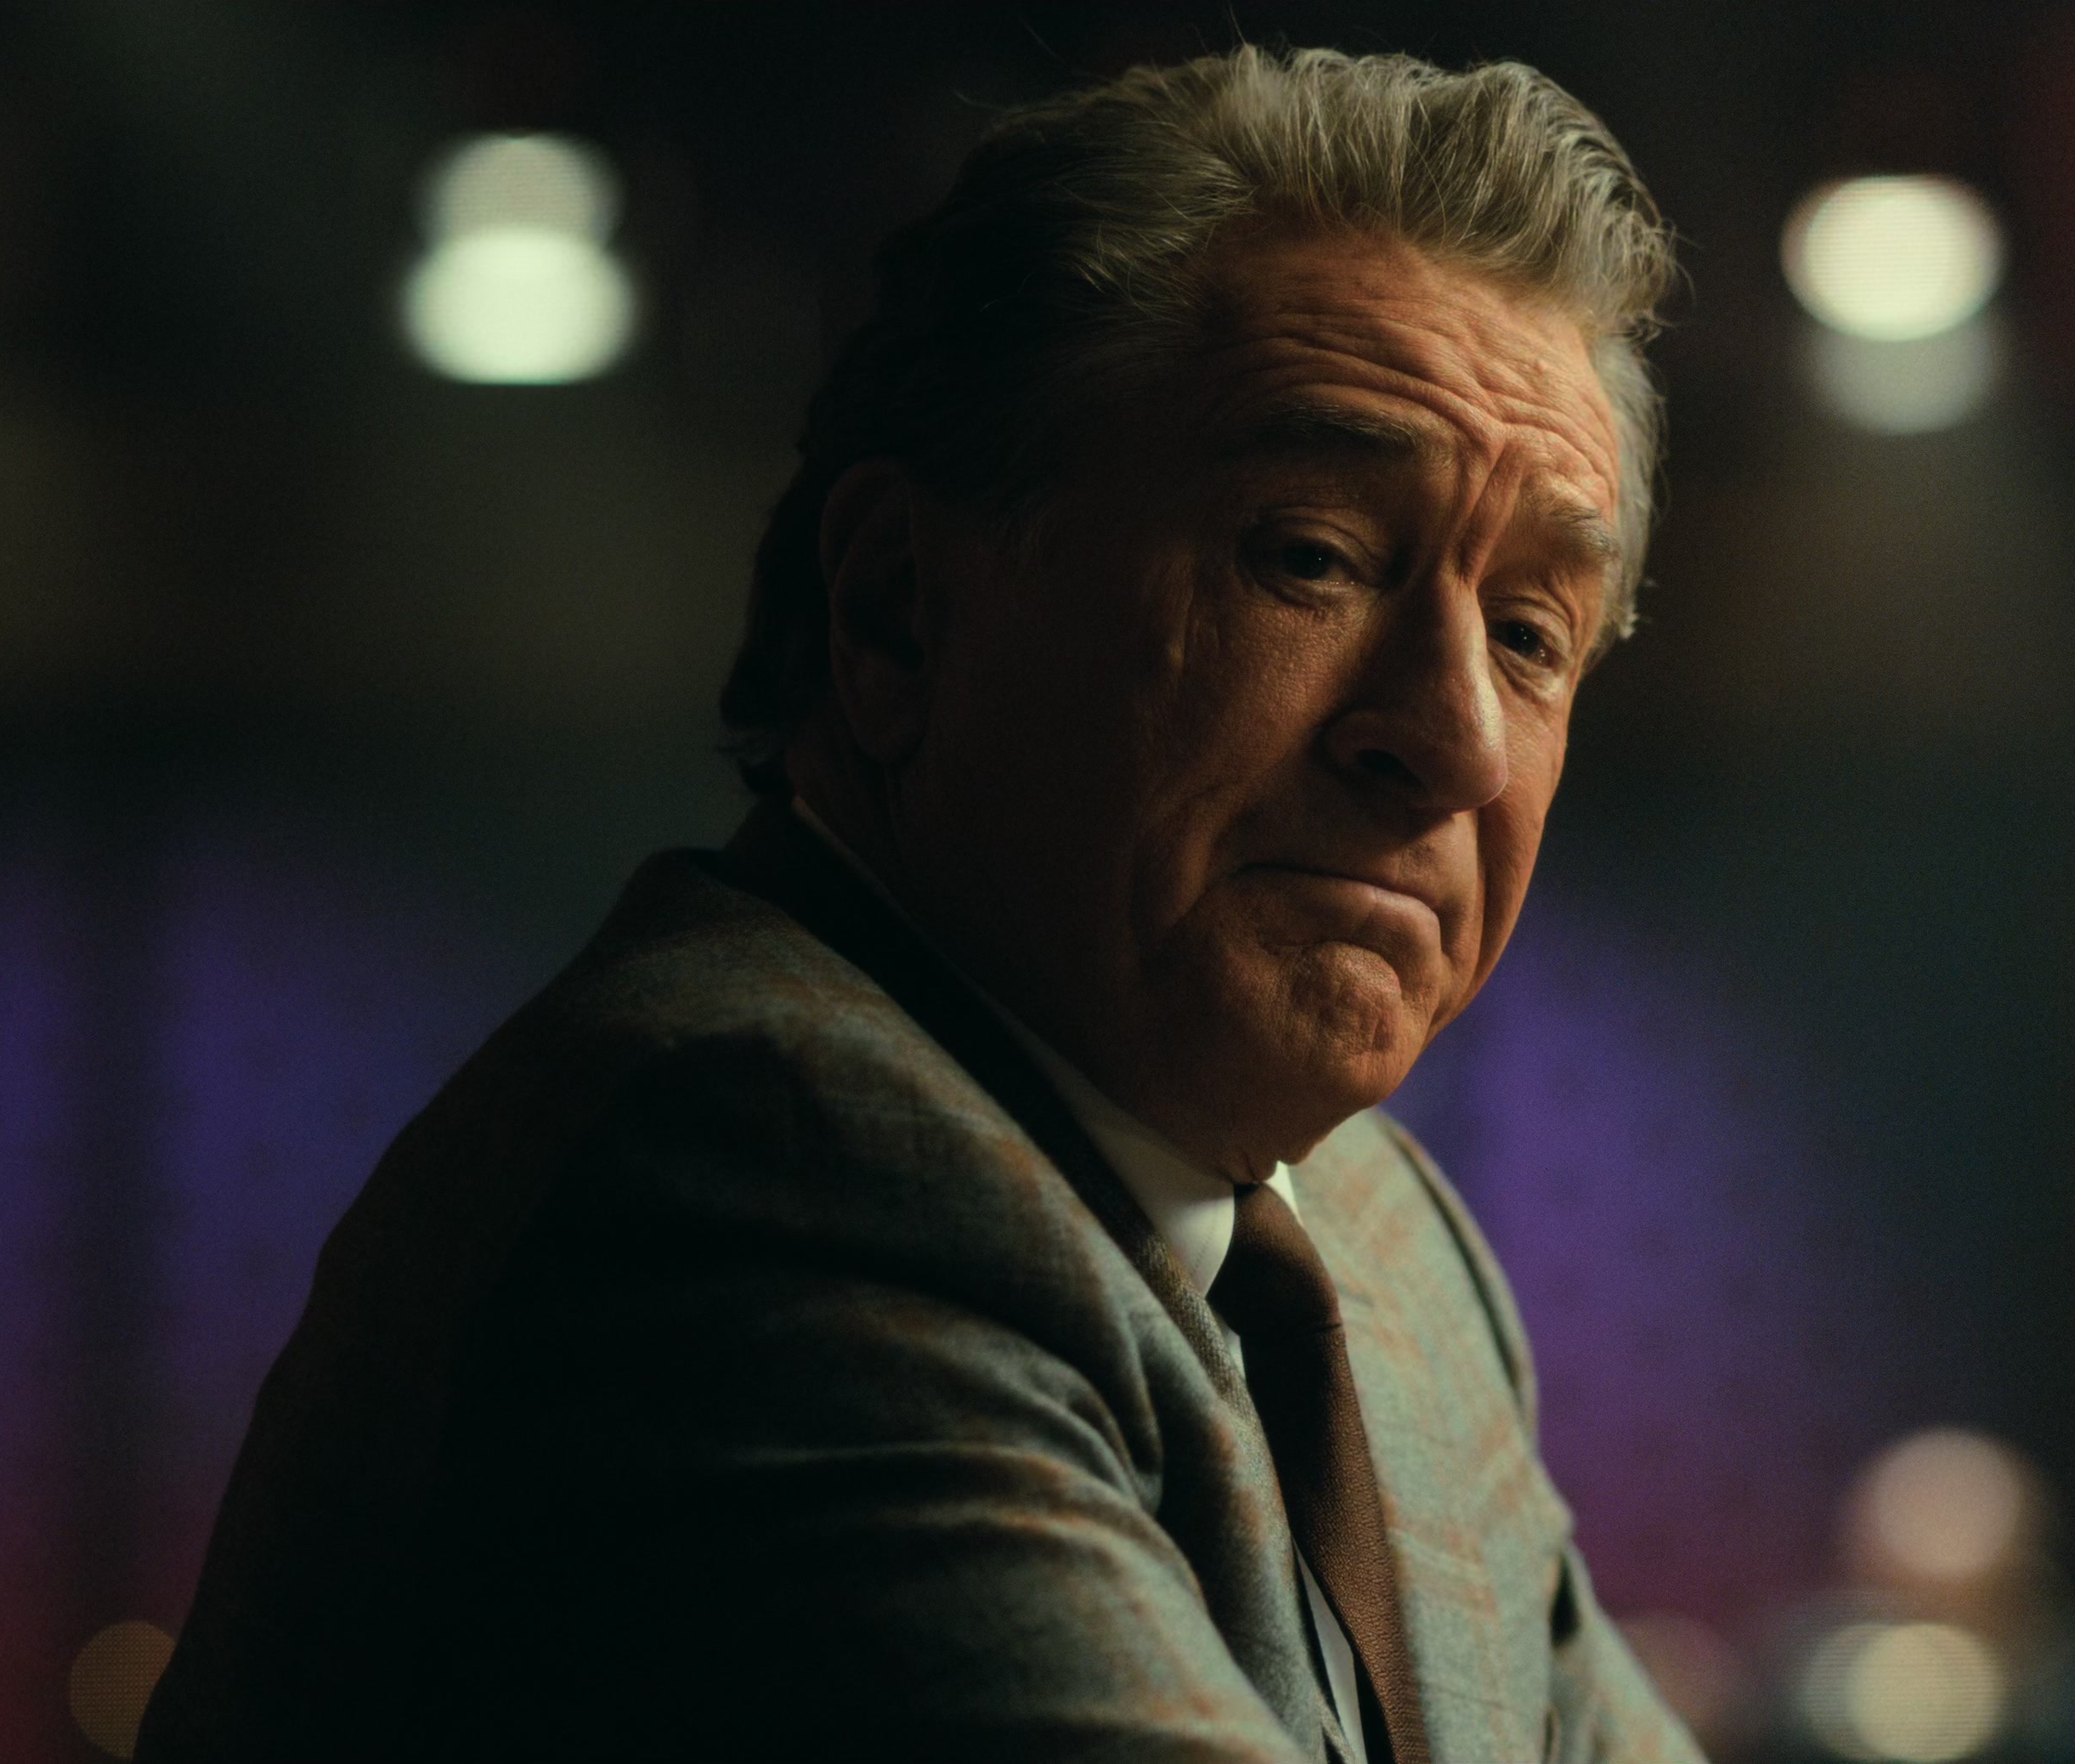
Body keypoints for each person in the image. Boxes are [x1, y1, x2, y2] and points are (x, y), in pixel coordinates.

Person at [139, 48, 1696, 1763]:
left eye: (1530, 635)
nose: (1456, 740)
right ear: (895, 613)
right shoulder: (759, 1167)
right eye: (1309, 556)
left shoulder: (1382, 1234)